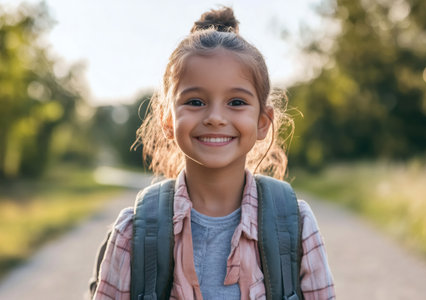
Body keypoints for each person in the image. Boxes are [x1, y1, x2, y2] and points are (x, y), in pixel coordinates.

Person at [92, 7, 335, 300]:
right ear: (167, 120)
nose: (215, 117)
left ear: (262, 122)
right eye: (195, 101)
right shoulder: (134, 234)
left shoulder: (295, 226)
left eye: (236, 101)